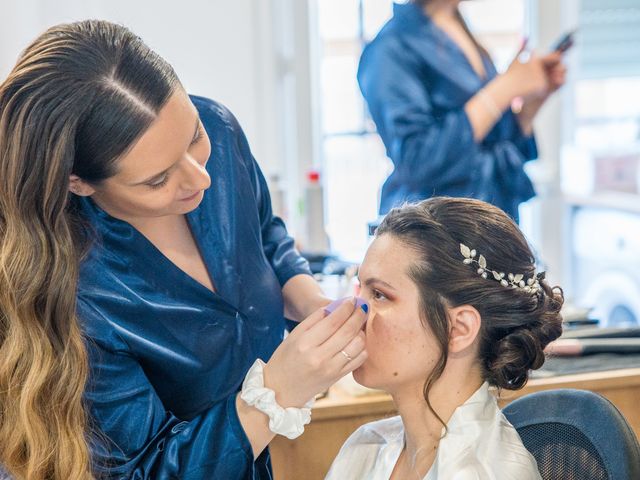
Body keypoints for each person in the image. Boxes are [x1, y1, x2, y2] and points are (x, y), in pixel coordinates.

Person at [0, 20, 368, 479]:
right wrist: (273, 396)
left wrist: (312, 301)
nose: (202, 179)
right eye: (157, 179)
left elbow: (265, 236)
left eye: (193, 137)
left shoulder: (220, 128)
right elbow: (146, 472)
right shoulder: (77, 297)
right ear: (79, 182)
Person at [326, 197, 564, 479]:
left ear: (459, 328)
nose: (351, 312)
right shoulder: (365, 447)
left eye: (379, 295)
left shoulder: (487, 473)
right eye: (359, 290)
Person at [358, 0, 567, 221]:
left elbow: (491, 142)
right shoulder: (389, 49)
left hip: (490, 220)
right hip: (435, 231)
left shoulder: (457, 28)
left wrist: (529, 105)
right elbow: (417, 159)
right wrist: (505, 88)